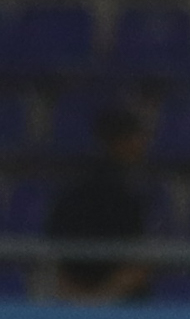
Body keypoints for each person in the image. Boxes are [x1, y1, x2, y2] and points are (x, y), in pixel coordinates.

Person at [45, 104, 151, 302]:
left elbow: (138, 260)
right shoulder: (83, 189)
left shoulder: (135, 189)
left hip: (113, 298)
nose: (143, 144)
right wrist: (94, 302)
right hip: (90, 296)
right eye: (137, 137)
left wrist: (97, 301)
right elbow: (58, 250)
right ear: (120, 142)